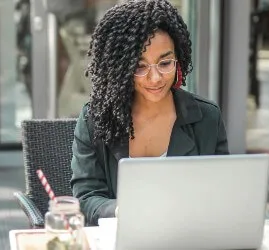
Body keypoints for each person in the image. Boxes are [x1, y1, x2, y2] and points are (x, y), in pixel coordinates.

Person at [70, 0, 229, 226]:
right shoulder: (95, 119)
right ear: (121, 69)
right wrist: (121, 210)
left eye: (165, 63)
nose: (155, 78)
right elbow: (86, 198)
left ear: (179, 59)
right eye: (139, 67)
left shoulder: (207, 118)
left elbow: (221, 195)